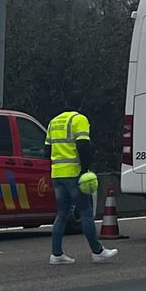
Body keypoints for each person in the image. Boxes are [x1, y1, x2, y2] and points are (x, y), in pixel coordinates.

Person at [47, 110, 118, 265]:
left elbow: (47, 150)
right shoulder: (80, 119)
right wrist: (84, 170)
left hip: (57, 174)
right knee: (85, 211)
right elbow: (83, 146)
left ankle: (56, 254)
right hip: (74, 173)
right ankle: (97, 251)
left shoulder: (54, 121)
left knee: (62, 214)